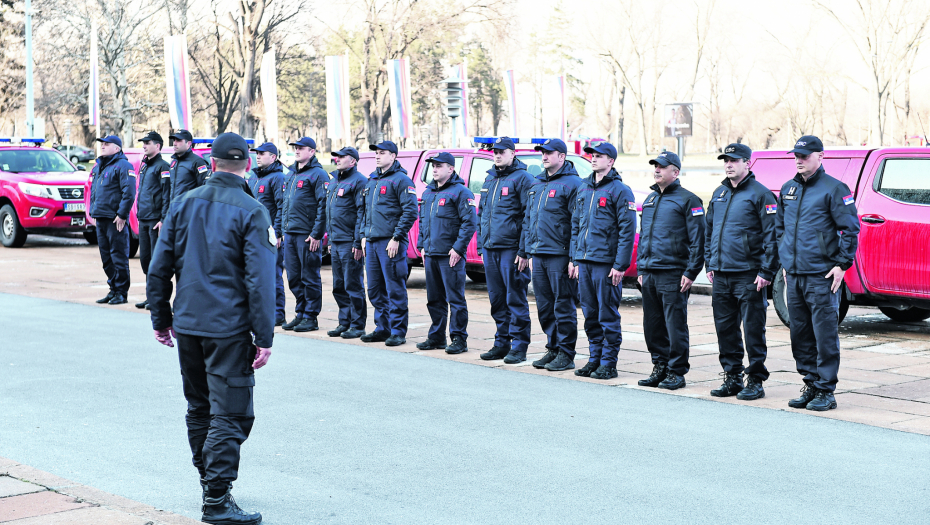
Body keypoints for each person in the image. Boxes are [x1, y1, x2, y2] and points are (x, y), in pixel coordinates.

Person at [147, 132, 273, 525]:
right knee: (230, 413)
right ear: (247, 165)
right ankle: (216, 499)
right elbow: (260, 281)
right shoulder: (252, 210)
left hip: (188, 324)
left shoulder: (183, 203)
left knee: (200, 407)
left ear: (212, 164)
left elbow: (158, 268)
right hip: (228, 328)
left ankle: (211, 485)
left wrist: (161, 318)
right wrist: (264, 336)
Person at [776, 135, 860, 411]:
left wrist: (842, 264)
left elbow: (851, 229)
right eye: (796, 156)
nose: (799, 160)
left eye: (805, 156)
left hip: (821, 276)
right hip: (794, 275)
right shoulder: (788, 188)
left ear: (820, 157)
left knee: (824, 335)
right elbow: (780, 229)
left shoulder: (834, 189)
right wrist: (785, 263)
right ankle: (810, 383)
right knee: (799, 334)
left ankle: (826, 390)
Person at [705, 143, 779, 400]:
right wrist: (709, 263)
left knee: (753, 329)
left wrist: (766, 271)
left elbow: (773, 237)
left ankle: (756, 380)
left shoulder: (761, 194)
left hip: (749, 274)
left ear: (747, 163)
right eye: (726, 160)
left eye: (734, 160)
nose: (728, 165)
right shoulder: (719, 193)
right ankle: (732, 377)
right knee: (725, 329)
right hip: (721, 273)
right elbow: (709, 231)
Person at [636, 151, 705, 390]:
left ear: (675, 172)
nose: (657, 170)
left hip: (673, 272)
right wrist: (641, 267)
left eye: (662, 166)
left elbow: (698, 239)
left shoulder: (689, 200)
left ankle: (676, 371)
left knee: (674, 325)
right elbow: (644, 237)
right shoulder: (650, 199)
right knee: (652, 324)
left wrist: (691, 272)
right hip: (650, 272)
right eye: (655, 166)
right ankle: (660, 366)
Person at [569, 142, 637, 380]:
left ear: (611, 161)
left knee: (607, 315)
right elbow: (576, 225)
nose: (594, 159)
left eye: (599, 156)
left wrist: (620, 265)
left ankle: (608, 363)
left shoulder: (620, 190)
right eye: (592, 155)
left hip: (606, 265)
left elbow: (627, 231)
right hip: (585, 262)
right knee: (590, 314)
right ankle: (594, 359)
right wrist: (574, 258)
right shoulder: (584, 187)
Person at [524, 138, 583, 372]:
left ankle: (566, 353)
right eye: (543, 153)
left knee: (563, 305)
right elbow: (528, 219)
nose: (544, 156)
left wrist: (573, 258)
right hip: (538, 253)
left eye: (549, 153)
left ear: (562, 156)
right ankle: (553, 347)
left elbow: (577, 223)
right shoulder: (537, 183)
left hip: (560, 254)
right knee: (545, 305)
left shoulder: (573, 184)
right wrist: (528, 251)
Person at [476, 137, 535, 364]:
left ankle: (519, 346)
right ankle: (501, 343)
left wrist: (523, 251)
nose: (498, 155)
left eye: (502, 151)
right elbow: (482, 214)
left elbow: (529, 217)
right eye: (495, 152)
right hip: (491, 249)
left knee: (515, 299)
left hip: (511, 250)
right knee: (497, 300)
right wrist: (481, 245)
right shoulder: (490, 178)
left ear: (513, 153)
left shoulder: (523, 179)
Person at [415, 152, 478, 354]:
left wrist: (458, 248)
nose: (434, 169)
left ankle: (459, 339)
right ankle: (437, 337)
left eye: (439, 166)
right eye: (433, 166)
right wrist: (422, 246)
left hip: (450, 256)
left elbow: (470, 223)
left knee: (455, 299)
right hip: (431, 254)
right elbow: (423, 222)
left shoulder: (461, 192)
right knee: (434, 299)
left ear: (451, 169)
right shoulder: (428, 193)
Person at [359, 140, 418, 347]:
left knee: (394, 288)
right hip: (372, 242)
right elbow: (364, 211)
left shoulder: (401, 180)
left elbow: (410, 211)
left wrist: (397, 237)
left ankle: (397, 331)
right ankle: (382, 328)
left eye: (382, 153)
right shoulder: (372, 180)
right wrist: (363, 234)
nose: (377, 156)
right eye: (376, 153)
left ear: (393, 156)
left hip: (390, 243)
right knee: (375, 289)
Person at [280, 137, 329, 332]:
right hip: (290, 233)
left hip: (307, 235)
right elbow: (285, 203)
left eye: (301, 148)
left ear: (312, 151)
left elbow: (323, 206)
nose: (297, 151)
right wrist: (283, 229)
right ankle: (300, 313)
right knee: (294, 277)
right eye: (296, 148)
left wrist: (317, 234)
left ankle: (310, 316)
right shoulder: (291, 173)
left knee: (309, 277)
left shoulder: (318, 174)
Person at [325, 146, 368, 339]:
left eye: (342, 157)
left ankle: (357, 325)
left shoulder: (359, 181)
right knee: (339, 285)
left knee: (353, 285)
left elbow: (361, 213)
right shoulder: (335, 180)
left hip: (349, 242)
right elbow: (330, 211)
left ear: (353, 161)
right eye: (337, 157)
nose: (338, 159)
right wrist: (330, 239)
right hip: (336, 241)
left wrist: (357, 242)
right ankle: (345, 322)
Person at [88, 135, 135, 305]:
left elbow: (129, 193)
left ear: (117, 148)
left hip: (115, 219)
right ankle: (113, 289)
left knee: (118, 256)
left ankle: (121, 292)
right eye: (102, 144)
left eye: (107, 144)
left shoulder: (123, 166)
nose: (103, 146)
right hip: (101, 217)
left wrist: (122, 215)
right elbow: (94, 191)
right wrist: (93, 213)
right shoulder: (99, 166)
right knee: (106, 258)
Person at [247, 142, 287, 326]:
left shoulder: (278, 178)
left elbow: (281, 207)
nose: (258, 156)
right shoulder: (254, 177)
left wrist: (277, 233)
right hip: (253, 235)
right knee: (256, 275)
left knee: (273, 275)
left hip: (270, 236)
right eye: (257, 153)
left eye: (262, 153)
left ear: (273, 157)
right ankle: (258, 312)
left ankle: (277, 313)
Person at [134, 131, 171, 310]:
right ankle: (150, 296)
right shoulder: (145, 166)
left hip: (155, 220)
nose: (144, 146)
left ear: (157, 146)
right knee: (145, 260)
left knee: (157, 262)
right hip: (144, 219)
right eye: (143, 143)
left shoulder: (163, 167)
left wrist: (163, 218)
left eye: (147, 143)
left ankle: (158, 299)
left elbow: (167, 194)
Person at [164, 129, 210, 219]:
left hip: (189, 214)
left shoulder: (197, 162)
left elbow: (204, 189)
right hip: (173, 212)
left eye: (179, 140)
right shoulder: (174, 162)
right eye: (174, 140)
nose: (174, 143)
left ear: (188, 144)